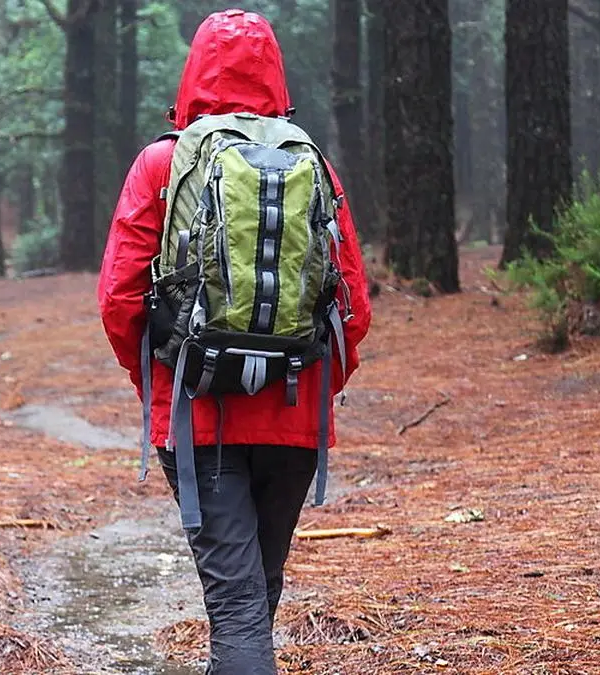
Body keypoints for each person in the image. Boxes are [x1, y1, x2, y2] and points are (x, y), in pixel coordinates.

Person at [97, 9, 372, 674]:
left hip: (199, 413)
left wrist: (164, 384)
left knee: (239, 603)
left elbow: (118, 298)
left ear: (194, 71)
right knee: (256, 591)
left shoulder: (164, 161)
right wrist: (305, 386)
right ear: (276, 74)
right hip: (294, 413)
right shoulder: (312, 163)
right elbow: (353, 307)